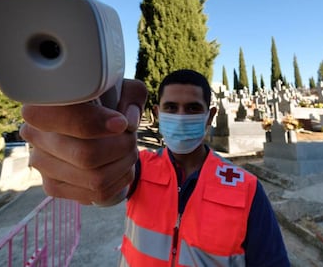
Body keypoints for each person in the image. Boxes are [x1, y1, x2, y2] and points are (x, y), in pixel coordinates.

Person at [20, 69, 290, 266]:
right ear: (157, 115)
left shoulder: (245, 187)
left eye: (193, 108)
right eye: (172, 107)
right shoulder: (140, 167)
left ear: (210, 116)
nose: (181, 117)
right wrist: (84, 155)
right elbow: (106, 184)